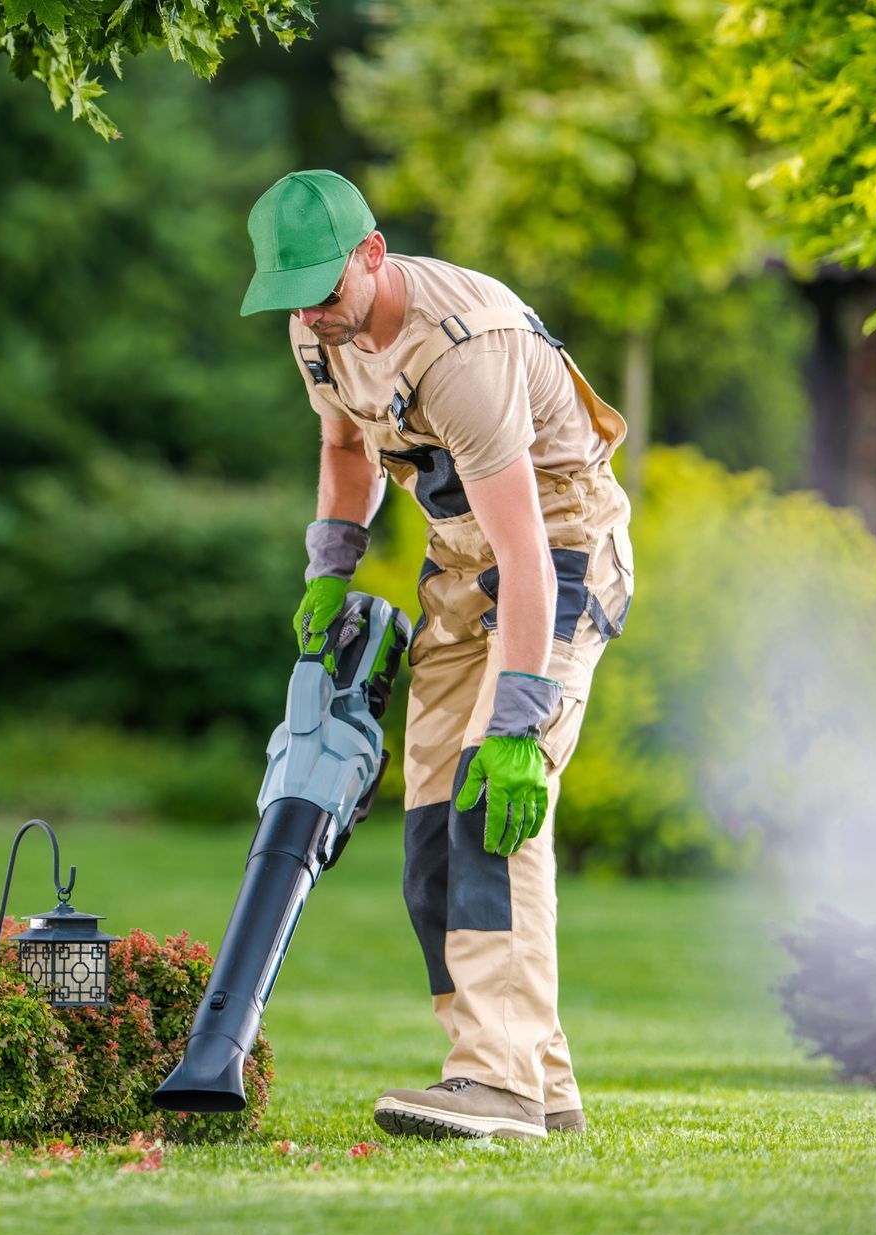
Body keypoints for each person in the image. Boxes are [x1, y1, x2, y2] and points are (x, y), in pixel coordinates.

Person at [242, 170, 635, 1140]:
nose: (315, 317)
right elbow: (344, 448)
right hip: (457, 561)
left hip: (557, 550)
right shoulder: (316, 324)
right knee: (429, 841)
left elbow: (529, 552)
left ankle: (494, 1079)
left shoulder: (466, 348)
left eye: (327, 292)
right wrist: (330, 567)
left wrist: (518, 720)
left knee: (489, 804)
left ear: (372, 253)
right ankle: (541, 1083)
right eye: (294, 298)